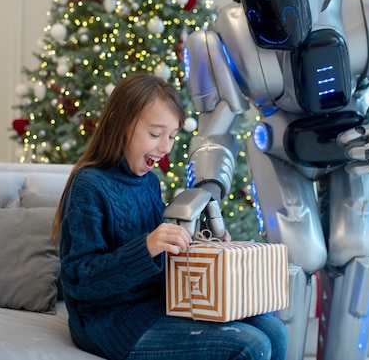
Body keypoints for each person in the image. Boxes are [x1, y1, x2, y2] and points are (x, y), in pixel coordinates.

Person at [51, 72, 288, 360]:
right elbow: (78, 280)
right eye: (155, 134)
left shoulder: (150, 182)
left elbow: (163, 260)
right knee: (252, 345)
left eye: (172, 136)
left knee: (276, 331)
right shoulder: (89, 185)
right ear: (120, 124)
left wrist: (204, 246)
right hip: (110, 321)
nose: (165, 148)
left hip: (160, 304)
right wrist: (147, 247)